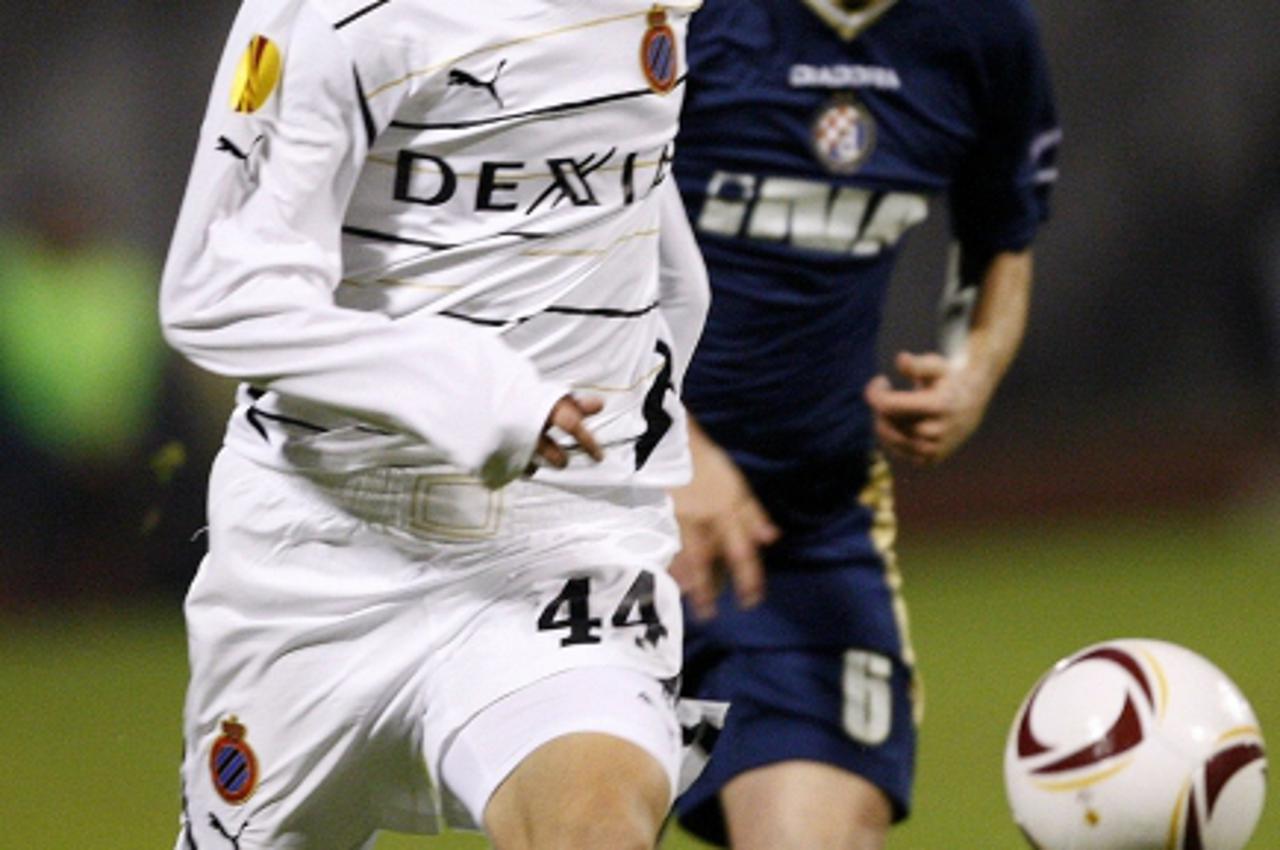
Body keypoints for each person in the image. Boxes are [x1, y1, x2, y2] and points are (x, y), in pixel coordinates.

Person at [160, 1, 711, 848]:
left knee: (596, 828)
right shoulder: (338, 15)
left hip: (557, 533)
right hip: (322, 547)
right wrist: (474, 391)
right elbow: (215, 292)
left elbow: (617, 167)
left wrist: (661, 423)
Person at [666, 1, 1061, 848]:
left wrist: (974, 371)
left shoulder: (981, 31)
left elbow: (1004, 236)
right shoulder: (675, 14)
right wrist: (672, 444)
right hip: (593, 520)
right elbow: (550, 244)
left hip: (798, 544)